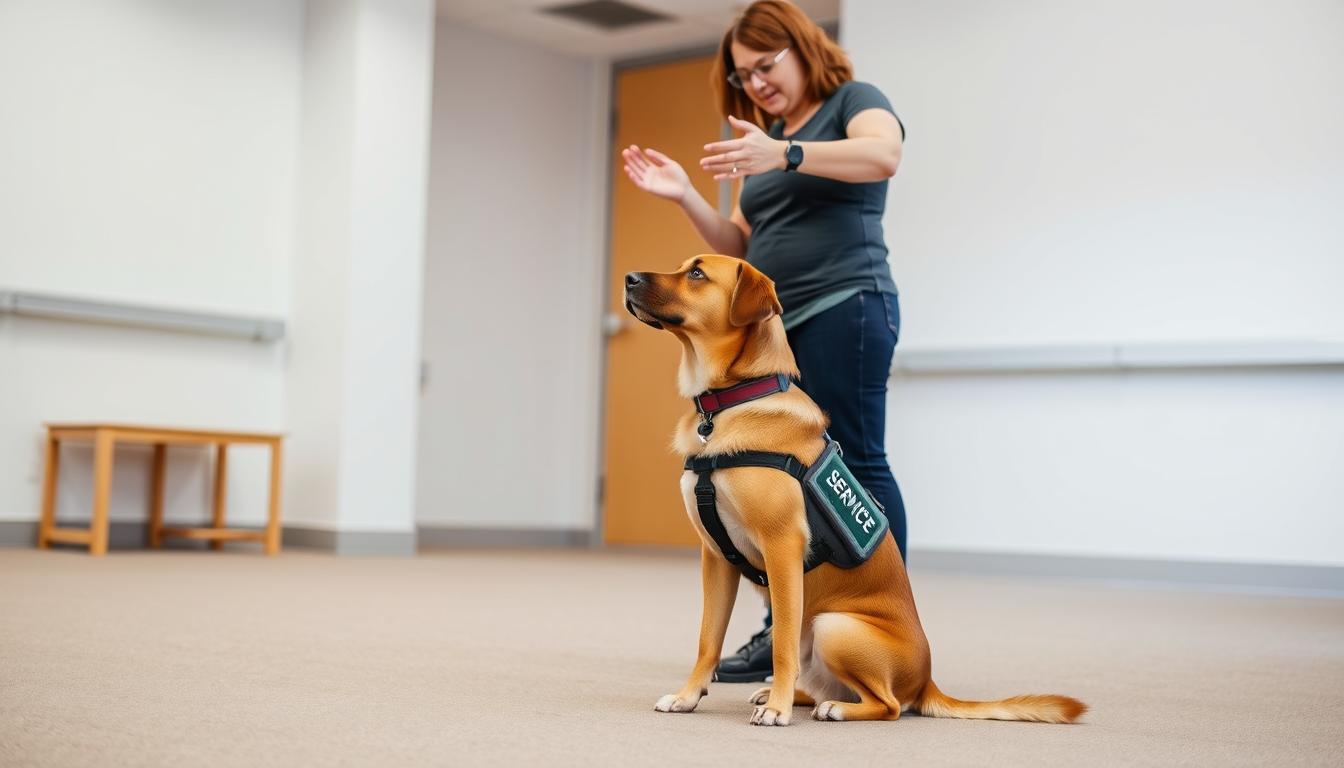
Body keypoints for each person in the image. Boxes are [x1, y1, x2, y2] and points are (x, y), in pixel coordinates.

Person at [620, 0, 908, 683]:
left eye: (766, 65)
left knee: (854, 466)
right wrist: (688, 196)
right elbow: (741, 242)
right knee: (788, 490)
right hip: (777, 325)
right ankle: (791, 628)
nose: (755, 83)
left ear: (803, 47)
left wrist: (784, 151)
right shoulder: (766, 139)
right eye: (743, 75)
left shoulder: (850, 102)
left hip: (847, 303)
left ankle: (884, 616)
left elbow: (884, 154)